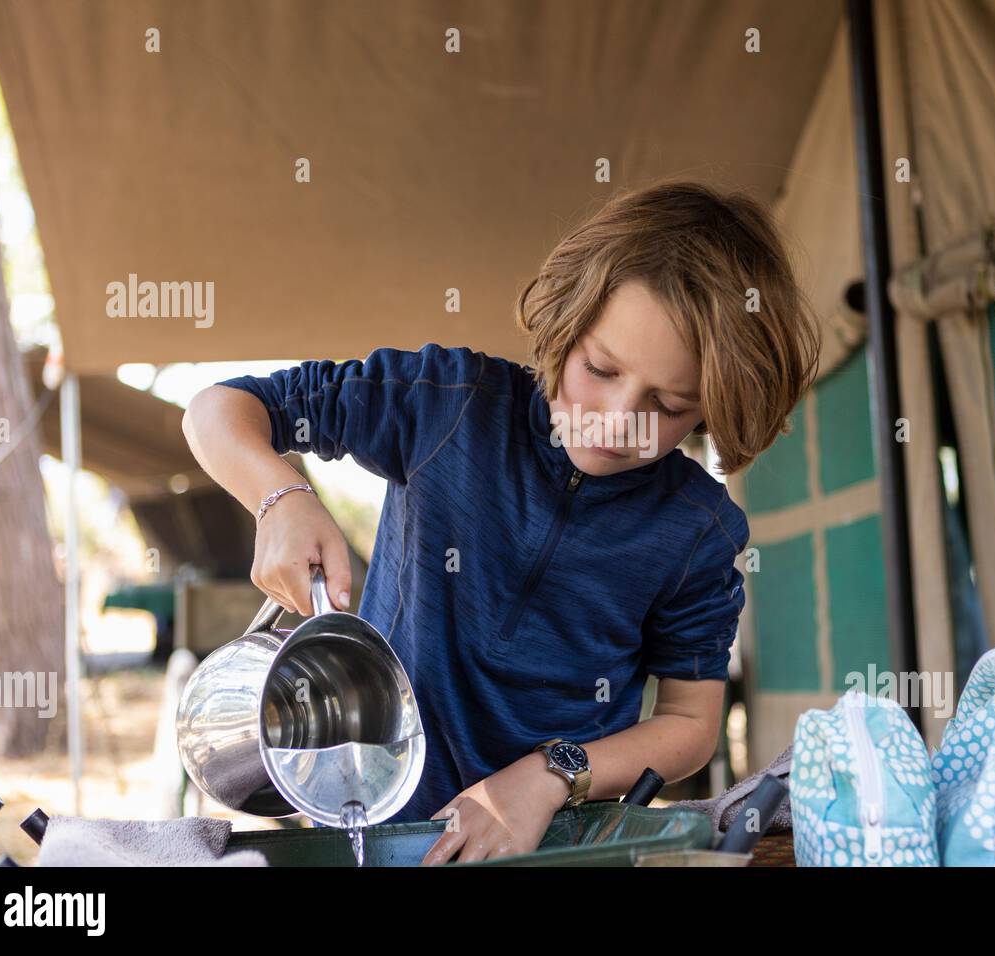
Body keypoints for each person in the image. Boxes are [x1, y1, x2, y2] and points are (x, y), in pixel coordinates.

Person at [181, 179, 822, 864]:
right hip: (377, 826)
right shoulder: (447, 404)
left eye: (668, 404)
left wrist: (551, 775)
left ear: (712, 409)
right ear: (567, 320)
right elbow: (218, 410)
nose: (616, 420)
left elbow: (691, 723)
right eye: (599, 368)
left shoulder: (698, 528)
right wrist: (281, 498)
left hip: (562, 843)